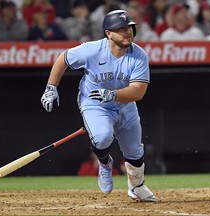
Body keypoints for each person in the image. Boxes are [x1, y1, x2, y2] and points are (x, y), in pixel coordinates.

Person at [40, 9, 157, 202]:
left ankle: (136, 187)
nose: (127, 32)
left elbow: (138, 91)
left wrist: (113, 95)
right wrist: (51, 87)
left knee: (134, 152)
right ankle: (104, 163)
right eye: (120, 28)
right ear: (108, 33)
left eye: (129, 27)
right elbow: (64, 59)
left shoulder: (139, 55)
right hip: (95, 104)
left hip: (124, 105)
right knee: (102, 138)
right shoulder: (92, 50)